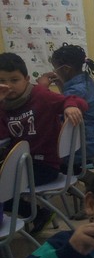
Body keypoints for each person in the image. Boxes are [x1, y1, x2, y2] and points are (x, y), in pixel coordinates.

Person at [0, 52, 87, 233]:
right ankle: (36, 214)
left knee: (2, 188)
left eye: (14, 80)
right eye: (2, 81)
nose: (8, 86)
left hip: (44, 165)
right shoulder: (2, 104)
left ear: (26, 79)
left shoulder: (40, 95)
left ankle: (37, 214)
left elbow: (77, 101)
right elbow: (3, 137)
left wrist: (70, 106)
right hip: (20, 163)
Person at [38, 43, 94, 159]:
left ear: (66, 69)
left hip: (84, 144)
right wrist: (61, 84)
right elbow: (67, 100)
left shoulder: (77, 89)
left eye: (55, 68)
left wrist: (42, 88)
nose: (55, 71)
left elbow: (51, 108)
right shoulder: (86, 80)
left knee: (41, 153)